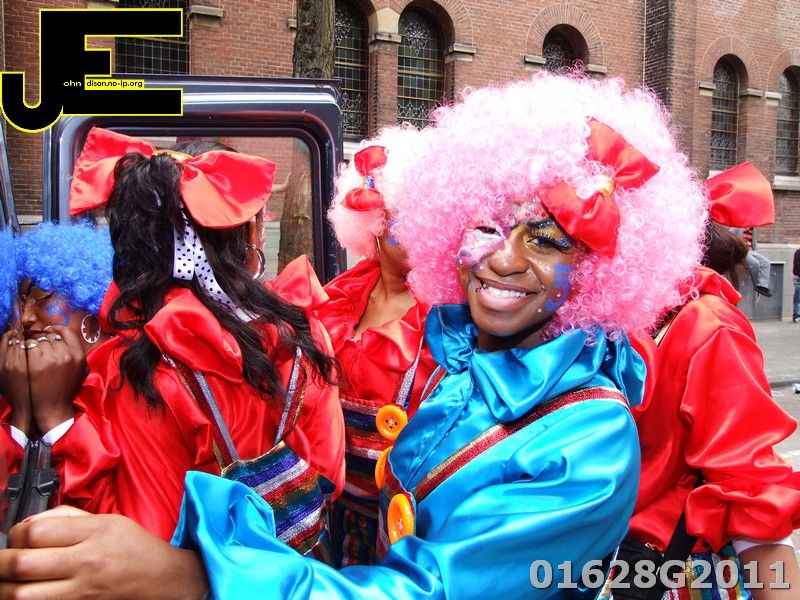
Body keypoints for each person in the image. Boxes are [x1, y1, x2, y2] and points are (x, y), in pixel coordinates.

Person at [0, 72, 708, 599]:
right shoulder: (467, 360)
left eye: (549, 239)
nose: (504, 258)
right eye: (488, 225)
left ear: (603, 274)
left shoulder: (589, 439)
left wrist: (195, 578)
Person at [2, 129, 346, 554]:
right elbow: (329, 476)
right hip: (301, 574)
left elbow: (138, 542)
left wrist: (58, 422)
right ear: (251, 232)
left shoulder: (139, 368)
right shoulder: (305, 334)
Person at [622, 162, 800, 600]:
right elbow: (748, 483)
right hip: (673, 569)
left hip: (614, 561)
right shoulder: (711, 324)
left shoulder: (633, 312)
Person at [319, 126, 437, 567]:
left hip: (405, 527)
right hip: (330, 514)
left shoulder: (448, 316)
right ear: (376, 221)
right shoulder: (338, 295)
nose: (423, 231)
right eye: (408, 217)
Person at [0, 221, 114, 479]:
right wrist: (20, 416)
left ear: (89, 302)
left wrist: (56, 418)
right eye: (21, 303)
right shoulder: (14, 387)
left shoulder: (132, 388)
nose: (26, 318)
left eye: (40, 297)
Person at [730, 226, 773, 297]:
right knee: (755, 263)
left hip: (751, 251)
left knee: (766, 263)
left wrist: (756, 252)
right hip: (742, 251)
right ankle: (756, 284)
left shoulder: (752, 229)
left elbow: (754, 243)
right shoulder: (737, 227)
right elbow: (729, 238)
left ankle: (762, 285)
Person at [793, 246, 799, 322]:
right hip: (798, 278)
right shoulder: (798, 252)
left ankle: (796, 315)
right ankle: (796, 315)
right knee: (797, 299)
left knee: (797, 299)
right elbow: (796, 268)